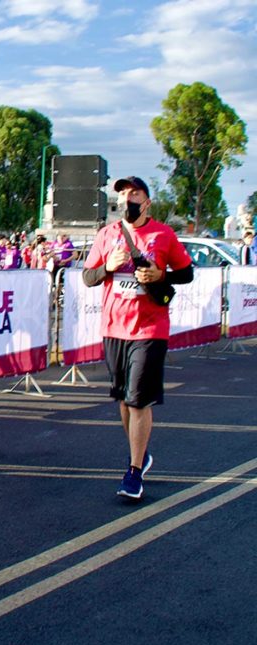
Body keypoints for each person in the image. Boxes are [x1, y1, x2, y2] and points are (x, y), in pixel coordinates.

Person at [82, 177, 193, 500]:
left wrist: (162, 275)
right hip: (114, 327)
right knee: (123, 399)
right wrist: (108, 266)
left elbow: (186, 273)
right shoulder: (107, 235)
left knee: (137, 398)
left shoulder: (163, 234)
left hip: (150, 328)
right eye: (122, 194)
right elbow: (89, 277)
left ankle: (133, 472)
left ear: (146, 202)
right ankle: (140, 454)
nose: (126, 199)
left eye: (133, 194)